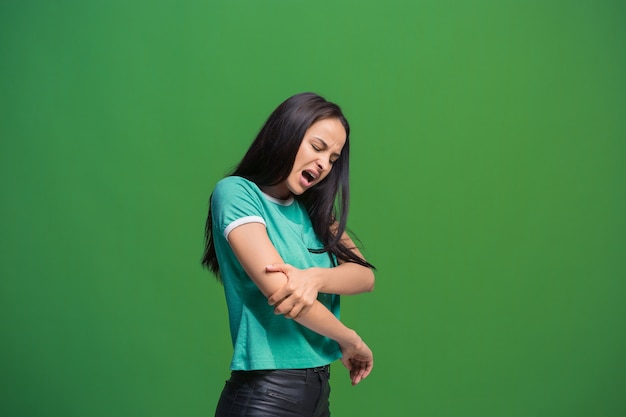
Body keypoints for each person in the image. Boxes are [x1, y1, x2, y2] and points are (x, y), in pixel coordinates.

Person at [202, 92, 375, 417]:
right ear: (286, 135)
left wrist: (315, 277)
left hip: (318, 393)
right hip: (266, 394)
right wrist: (350, 341)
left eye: (334, 158)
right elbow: (283, 292)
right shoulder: (238, 193)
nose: (324, 164)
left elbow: (365, 276)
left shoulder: (315, 213)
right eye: (318, 147)